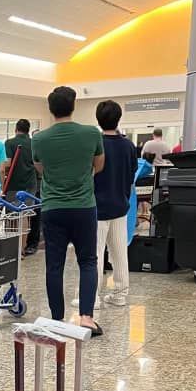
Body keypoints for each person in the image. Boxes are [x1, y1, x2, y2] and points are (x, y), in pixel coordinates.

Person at [33, 86, 105, 336]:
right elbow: (99, 165)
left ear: (50, 109)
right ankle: (86, 318)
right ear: (73, 106)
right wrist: (81, 175)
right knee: (88, 261)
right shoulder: (91, 133)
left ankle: (57, 319)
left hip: (53, 208)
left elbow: (40, 168)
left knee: (54, 264)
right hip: (84, 207)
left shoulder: (39, 139)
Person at [71, 101, 136, 310]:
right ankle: (120, 295)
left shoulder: (94, 144)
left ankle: (91, 299)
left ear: (98, 120)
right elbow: (131, 175)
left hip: (96, 208)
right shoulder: (128, 146)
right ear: (119, 119)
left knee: (94, 255)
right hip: (120, 206)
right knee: (119, 253)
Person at [1, 118, 41, 254]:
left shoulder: (10, 143)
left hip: (13, 183)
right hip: (30, 184)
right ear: (28, 130)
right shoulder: (34, 143)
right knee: (25, 215)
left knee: (12, 216)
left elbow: (7, 163)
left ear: (16, 129)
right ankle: (22, 249)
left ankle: (10, 249)